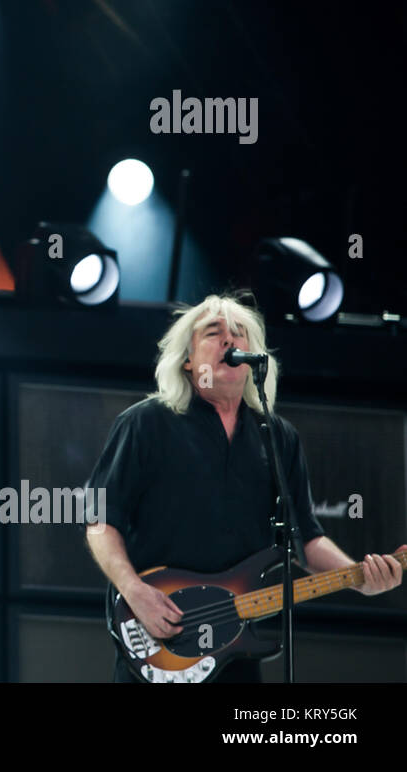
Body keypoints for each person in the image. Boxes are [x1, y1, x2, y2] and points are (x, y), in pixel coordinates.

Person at [85, 292, 403, 682]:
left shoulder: (276, 436)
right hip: (160, 638)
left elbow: (304, 537)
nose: (229, 341)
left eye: (239, 333)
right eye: (214, 333)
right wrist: (134, 591)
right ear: (188, 359)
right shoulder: (146, 423)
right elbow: (101, 520)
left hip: (234, 650)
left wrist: (360, 579)